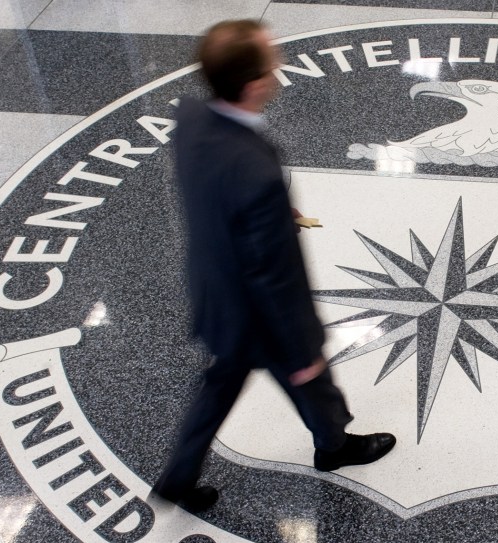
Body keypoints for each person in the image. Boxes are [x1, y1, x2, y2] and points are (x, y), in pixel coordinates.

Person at [152, 19, 395, 513]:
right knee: (311, 376)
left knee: (219, 386)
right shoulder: (256, 174)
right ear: (253, 84)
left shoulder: (193, 117)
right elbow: (272, 275)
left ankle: (177, 477)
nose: (279, 68)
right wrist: (301, 344)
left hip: (214, 291)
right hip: (258, 313)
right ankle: (334, 447)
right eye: (271, 62)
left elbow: (216, 189)